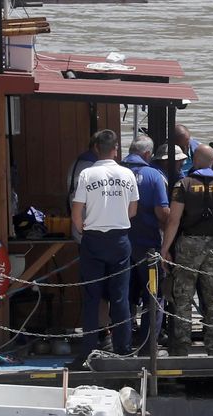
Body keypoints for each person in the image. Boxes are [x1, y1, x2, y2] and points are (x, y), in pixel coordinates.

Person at [161, 144, 213, 356]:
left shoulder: (183, 185)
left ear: (194, 161)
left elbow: (173, 220)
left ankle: (182, 347)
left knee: (183, 298)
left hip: (188, 244)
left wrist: (165, 249)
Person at [70, 129, 139, 367]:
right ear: (116, 149)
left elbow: (76, 212)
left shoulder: (87, 174)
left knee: (92, 297)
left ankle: (88, 351)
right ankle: (124, 349)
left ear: (96, 149)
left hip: (93, 239)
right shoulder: (128, 174)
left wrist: (84, 230)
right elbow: (133, 211)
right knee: (120, 297)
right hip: (120, 239)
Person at [122, 135, 170, 353]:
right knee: (154, 295)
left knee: (121, 294)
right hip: (148, 246)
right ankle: (148, 346)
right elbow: (162, 212)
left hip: (120, 244)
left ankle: (121, 343)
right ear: (148, 154)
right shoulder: (153, 175)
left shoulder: (115, 173)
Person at [65, 140, 98, 242]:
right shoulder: (91, 168)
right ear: (97, 147)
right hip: (89, 230)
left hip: (79, 229)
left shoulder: (77, 163)